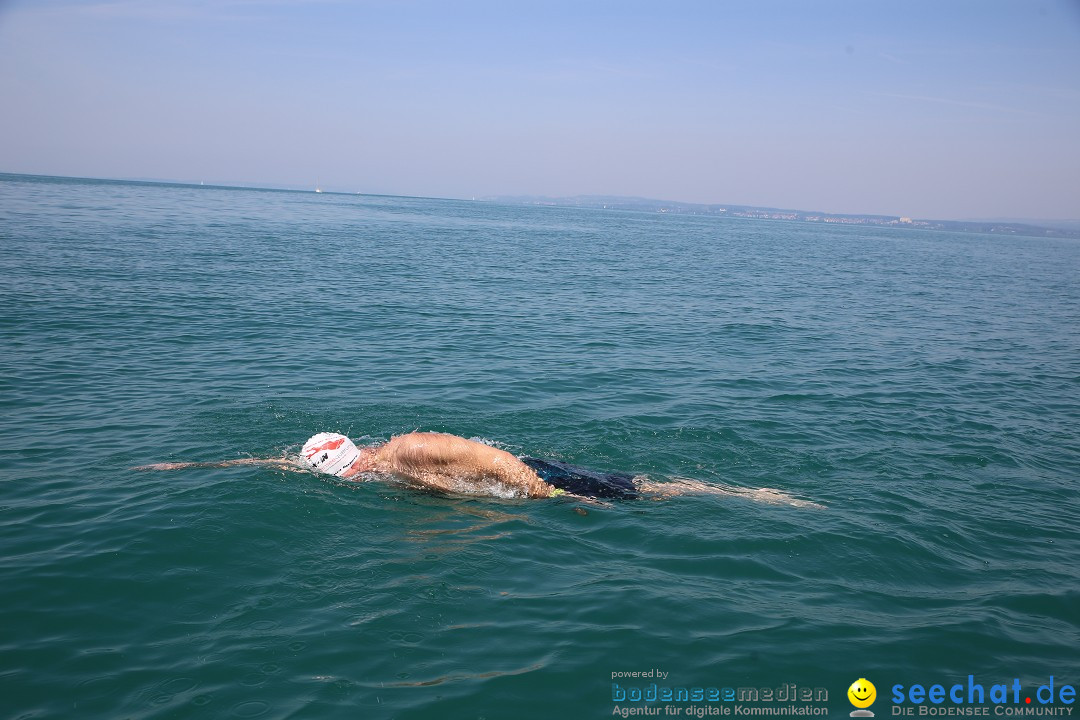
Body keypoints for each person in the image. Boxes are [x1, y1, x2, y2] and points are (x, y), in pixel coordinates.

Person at [134, 430, 825, 507]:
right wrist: (193, 464)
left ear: (353, 460)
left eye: (341, 476)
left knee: (646, 496)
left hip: (525, 472)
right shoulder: (360, 463)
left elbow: (480, 456)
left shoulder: (405, 450)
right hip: (515, 484)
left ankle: (751, 496)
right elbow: (278, 463)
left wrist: (545, 491)